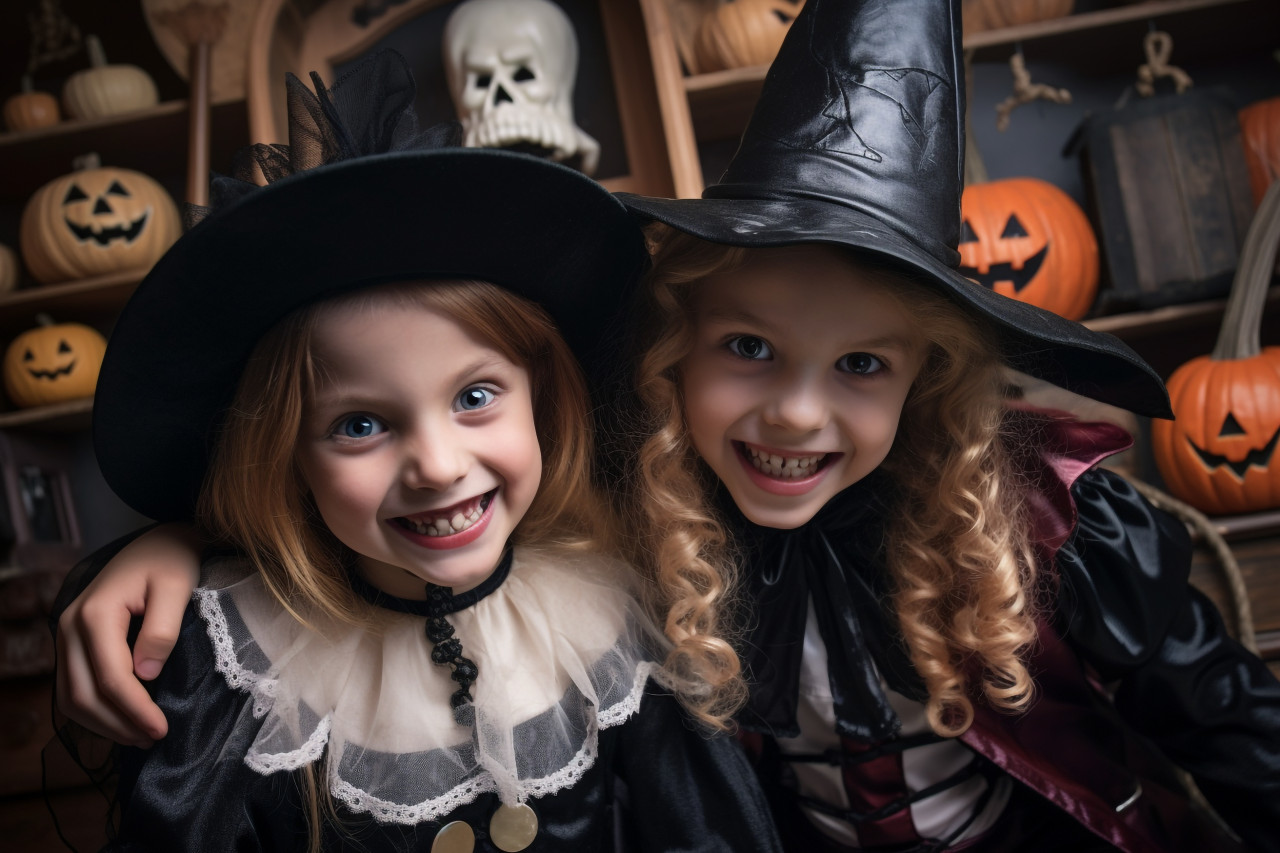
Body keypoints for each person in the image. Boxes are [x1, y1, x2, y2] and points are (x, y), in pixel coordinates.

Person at [55, 2, 1280, 851]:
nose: (794, 411)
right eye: (746, 348)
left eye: (861, 364)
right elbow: (364, 529)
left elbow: (1223, 719)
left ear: (928, 380)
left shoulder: (1045, 521)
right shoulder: (651, 506)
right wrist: (159, 549)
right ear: (668, 353)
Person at [53, 51, 779, 853]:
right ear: (284, 453)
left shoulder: (619, 613)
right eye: (360, 424)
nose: (436, 464)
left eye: (474, 397)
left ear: (541, 394)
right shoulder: (239, 670)